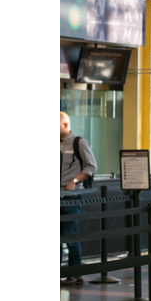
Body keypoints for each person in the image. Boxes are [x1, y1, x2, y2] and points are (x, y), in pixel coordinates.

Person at [60, 111, 97, 286]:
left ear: (66, 125)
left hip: (71, 197)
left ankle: (75, 274)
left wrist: (74, 181)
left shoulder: (79, 143)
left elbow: (92, 166)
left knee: (70, 234)